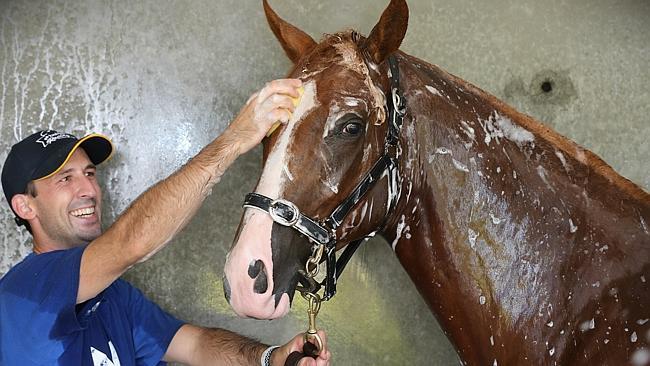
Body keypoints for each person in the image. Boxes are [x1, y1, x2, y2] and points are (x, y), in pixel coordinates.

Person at [0, 78, 331, 366]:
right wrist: (232, 141)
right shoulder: (25, 290)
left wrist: (272, 358)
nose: (88, 189)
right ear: (25, 207)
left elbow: (195, 345)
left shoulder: (115, 297)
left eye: (89, 174)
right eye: (64, 179)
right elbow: (131, 244)